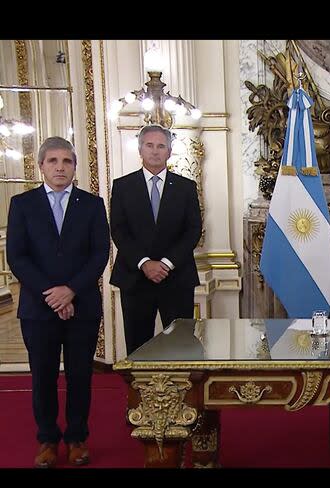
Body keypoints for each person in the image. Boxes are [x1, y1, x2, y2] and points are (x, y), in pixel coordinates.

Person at [6, 137, 110, 468]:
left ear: (75, 167)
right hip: (38, 309)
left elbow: (99, 254)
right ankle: (47, 439)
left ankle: (77, 438)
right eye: (53, 161)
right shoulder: (22, 204)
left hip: (83, 307)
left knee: (81, 376)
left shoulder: (92, 204)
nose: (60, 167)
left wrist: (72, 291)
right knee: (43, 376)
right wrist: (52, 294)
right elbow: (17, 257)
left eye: (67, 161)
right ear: (41, 166)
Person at [110, 124, 202, 355]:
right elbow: (119, 230)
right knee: (138, 346)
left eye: (161, 146)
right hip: (135, 278)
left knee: (181, 345)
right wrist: (144, 263)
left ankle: (180, 391)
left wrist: (166, 263)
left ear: (169, 152)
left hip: (176, 277)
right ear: (140, 150)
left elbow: (193, 230)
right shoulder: (122, 186)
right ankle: (140, 392)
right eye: (149, 145)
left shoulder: (186, 187)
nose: (155, 151)